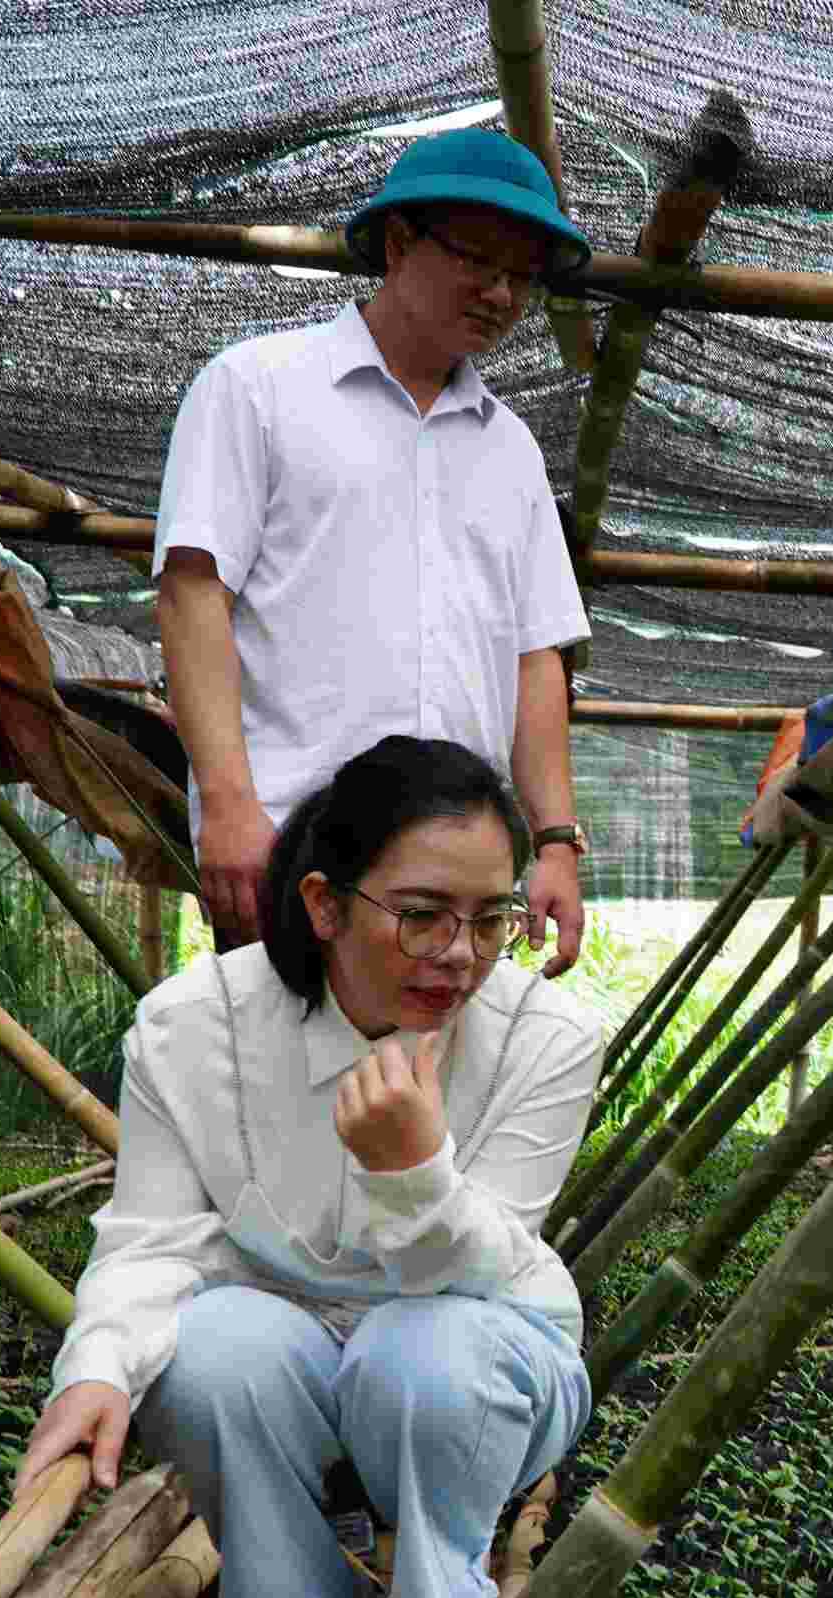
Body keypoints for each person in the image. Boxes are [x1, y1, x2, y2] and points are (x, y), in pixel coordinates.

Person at [14, 736, 602, 1598]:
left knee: (421, 1355)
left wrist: (413, 1174)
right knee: (208, 1351)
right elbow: (151, 1242)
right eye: (420, 917)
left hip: (476, 1349)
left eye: (491, 919)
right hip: (287, 1360)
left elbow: (486, 1270)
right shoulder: (192, 1027)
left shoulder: (548, 1039)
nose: (459, 956)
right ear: (325, 904)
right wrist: (95, 1369)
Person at [154, 127, 597, 975]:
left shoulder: (511, 452)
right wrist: (231, 807)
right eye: (479, 259)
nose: (501, 293)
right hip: (298, 852)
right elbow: (191, 593)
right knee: (286, 1095)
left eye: (521, 274)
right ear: (398, 244)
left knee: (432, 1103)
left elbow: (537, 656)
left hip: (463, 883)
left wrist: (553, 845)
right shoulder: (258, 388)